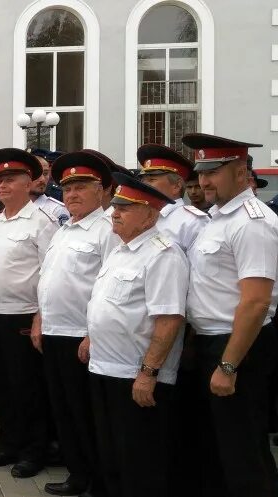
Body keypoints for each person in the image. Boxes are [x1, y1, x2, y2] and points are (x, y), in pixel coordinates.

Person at [183, 133, 278, 497]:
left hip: (238, 344)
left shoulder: (252, 222)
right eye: (202, 172)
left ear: (241, 172)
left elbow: (255, 302)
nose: (204, 181)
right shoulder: (217, 218)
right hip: (211, 341)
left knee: (242, 448)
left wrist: (228, 365)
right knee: (217, 445)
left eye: (214, 172)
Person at [87, 172, 189, 496]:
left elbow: (169, 319)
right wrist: (91, 337)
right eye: (116, 205)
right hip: (103, 368)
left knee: (140, 461)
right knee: (111, 455)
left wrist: (148, 373)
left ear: (150, 214)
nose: (115, 212)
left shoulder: (164, 254)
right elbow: (106, 304)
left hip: (135, 377)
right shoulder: (120, 249)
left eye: (126, 207)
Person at [32, 151, 117, 496]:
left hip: (82, 337)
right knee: (64, 412)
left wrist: (93, 334)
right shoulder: (65, 229)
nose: (72, 195)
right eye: (67, 188)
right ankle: (77, 474)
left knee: (87, 414)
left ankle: (98, 480)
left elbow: (111, 286)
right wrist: (39, 319)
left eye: (82, 187)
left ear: (103, 190)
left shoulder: (108, 228)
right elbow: (48, 278)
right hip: (53, 332)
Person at [0, 148, 58, 478]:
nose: (4, 186)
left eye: (11, 180)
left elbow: (51, 273)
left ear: (30, 183)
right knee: (2, 385)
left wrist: (40, 317)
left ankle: (32, 450)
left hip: (25, 316)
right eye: (0, 180)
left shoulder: (43, 222)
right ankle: (8, 444)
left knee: (27, 387)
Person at [136, 144, 208, 251]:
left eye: (151, 180)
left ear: (176, 186)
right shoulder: (143, 218)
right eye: (143, 180)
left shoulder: (192, 222)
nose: (144, 185)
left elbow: (199, 266)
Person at [30, 153, 69, 225]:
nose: (42, 179)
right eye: (37, 173)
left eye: (45, 173)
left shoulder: (57, 210)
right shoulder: (13, 207)